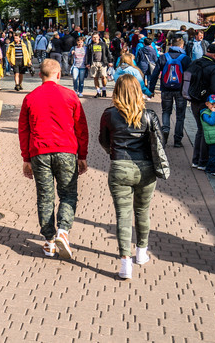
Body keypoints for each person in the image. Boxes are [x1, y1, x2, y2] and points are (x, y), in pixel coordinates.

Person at [98, 74, 168, 280]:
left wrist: (114, 152)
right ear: (138, 91)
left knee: (123, 214)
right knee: (142, 211)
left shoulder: (109, 114)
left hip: (119, 166)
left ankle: (125, 262)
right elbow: (159, 143)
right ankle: (141, 253)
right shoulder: (149, 115)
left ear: (117, 91)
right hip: (145, 167)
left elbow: (103, 140)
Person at [20, 59, 88, 260]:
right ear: (59, 75)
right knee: (68, 194)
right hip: (66, 150)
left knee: (45, 196)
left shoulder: (30, 98)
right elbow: (81, 128)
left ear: (40, 75)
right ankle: (63, 231)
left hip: (39, 151)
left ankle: (49, 241)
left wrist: (26, 158)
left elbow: (24, 130)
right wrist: (82, 155)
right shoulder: (70, 95)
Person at [188, 43, 215, 168]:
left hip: (194, 100)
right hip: (207, 102)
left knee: (201, 130)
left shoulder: (195, 62)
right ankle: (203, 161)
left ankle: (196, 160)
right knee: (207, 131)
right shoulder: (214, 68)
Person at [158, 39, 189, 147]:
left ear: (171, 45)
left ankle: (165, 129)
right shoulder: (185, 58)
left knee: (166, 111)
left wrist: (151, 89)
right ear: (182, 46)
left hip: (166, 89)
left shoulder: (163, 57)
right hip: (180, 90)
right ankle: (177, 140)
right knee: (180, 116)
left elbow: (155, 73)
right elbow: (189, 75)